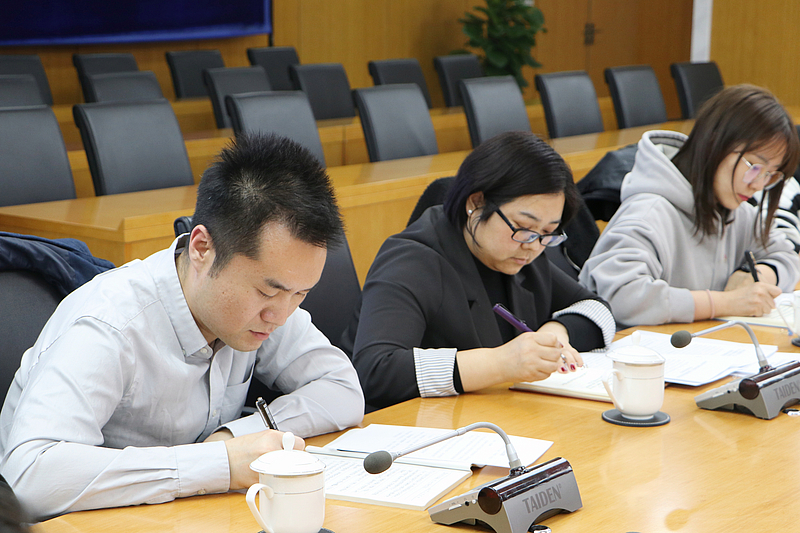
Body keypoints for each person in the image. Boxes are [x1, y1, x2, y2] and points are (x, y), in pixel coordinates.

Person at [0, 134, 364, 520]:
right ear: (202, 248)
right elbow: (30, 477)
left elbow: (342, 389)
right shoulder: (110, 324)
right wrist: (219, 462)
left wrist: (237, 438)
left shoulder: (268, 304)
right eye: (266, 292)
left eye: (300, 294)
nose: (281, 315)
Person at [342, 131, 615, 410]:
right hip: (413, 423)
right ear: (476, 203)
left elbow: (597, 308)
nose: (533, 246)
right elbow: (374, 369)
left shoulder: (522, 254)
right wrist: (499, 363)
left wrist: (557, 334)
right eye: (524, 227)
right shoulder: (411, 260)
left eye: (548, 232)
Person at [579, 84, 800, 327]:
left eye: (769, 174)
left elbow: (786, 256)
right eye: (754, 167)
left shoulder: (736, 210)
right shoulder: (648, 212)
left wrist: (756, 276)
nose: (757, 185)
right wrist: (724, 302)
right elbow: (622, 297)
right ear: (715, 142)